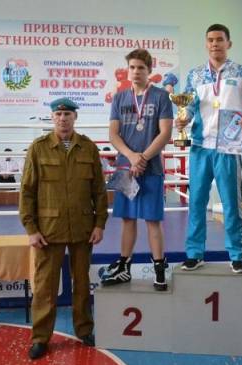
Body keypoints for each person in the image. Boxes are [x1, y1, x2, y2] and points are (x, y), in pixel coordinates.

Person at [19, 97, 108, 360]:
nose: (63, 119)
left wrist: (99, 224)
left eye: (67, 114)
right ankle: (40, 338)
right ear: (52, 118)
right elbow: (27, 192)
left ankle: (84, 330)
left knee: (82, 283)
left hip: (82, 227)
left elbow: (99, 191)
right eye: (58, 115)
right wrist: (31, 229)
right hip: (48, 230)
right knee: (45, 286)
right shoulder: (38, 148)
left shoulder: (88, 148)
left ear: (75, 117)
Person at [176, 23, 242, 273]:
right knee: (196, 202)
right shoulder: (195, 75)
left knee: (231, 203)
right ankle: (194, 253)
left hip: (228, 146)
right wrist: (183, 118)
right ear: (206, 44)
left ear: (229, 43)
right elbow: (188, 106)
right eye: (211, 40)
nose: (215, 44)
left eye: (219, 39)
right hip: (200, 146)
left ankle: (236, 255)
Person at [102, 49, 173, 291]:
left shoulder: (161, 96)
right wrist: (132, 157)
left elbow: (165, 133)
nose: (135, 72)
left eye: (141, 67)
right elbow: (113, 134)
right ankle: (124, 267)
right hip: (125, 166)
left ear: (149, 70)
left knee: (153, 220)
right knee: (127, 219)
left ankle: (159, 270)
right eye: (132, 67)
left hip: (150, 167)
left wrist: (142, 158)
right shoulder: (120, 98)